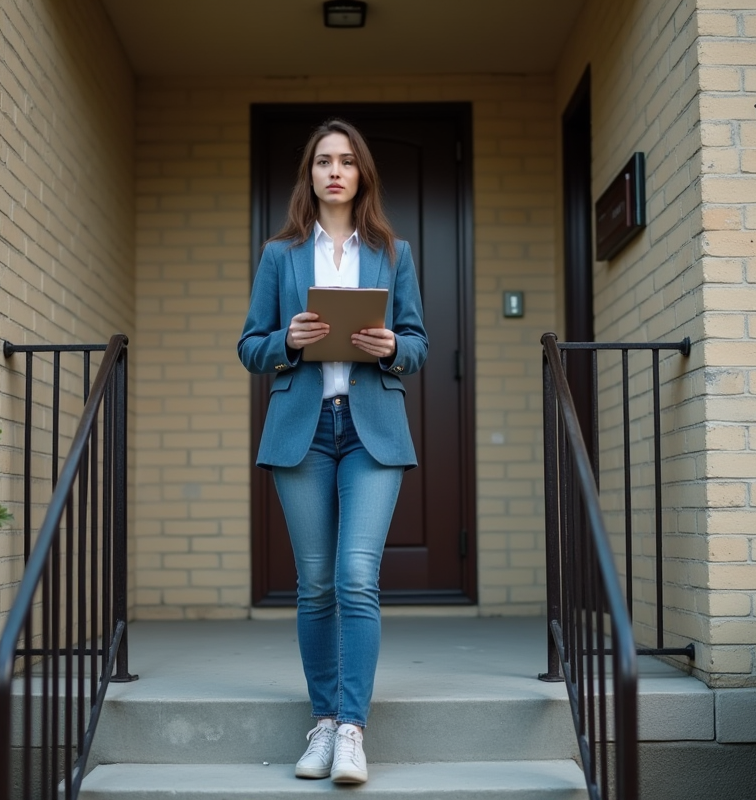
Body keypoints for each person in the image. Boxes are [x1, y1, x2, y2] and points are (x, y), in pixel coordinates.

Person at [237, 118, 428, 785]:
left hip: (371, 428)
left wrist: (393, 349)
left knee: (356, 577)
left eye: (347, 160)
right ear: (310, 175)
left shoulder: (393, 253)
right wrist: (287, 339)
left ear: (362, 174)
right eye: (324, 161)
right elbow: (248, 347)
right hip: (304, 431)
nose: (335, 171)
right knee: (315, 585)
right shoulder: (280, 256)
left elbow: (419, 342)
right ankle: (322, 723)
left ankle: (352, 730)